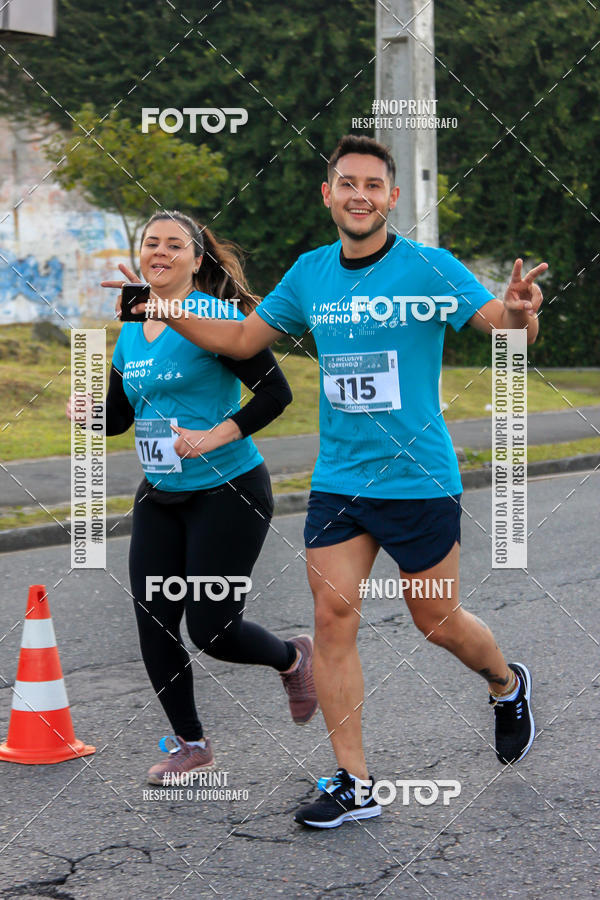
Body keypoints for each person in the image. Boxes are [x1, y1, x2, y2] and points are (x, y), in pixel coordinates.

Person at [118, 136, 547, 826]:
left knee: (435, 620)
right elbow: (238, 343)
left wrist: (522, 310)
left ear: (391, 198)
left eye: (372, 186)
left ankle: (505, 682)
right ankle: (355, 782)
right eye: (346, 183)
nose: (359, 195)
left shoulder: (428, 268)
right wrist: (164, 307)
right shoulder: (310, 275)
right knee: (332, 620)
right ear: (329, 195)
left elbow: (504, 329)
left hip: (418, 478)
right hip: (340, 480)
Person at [70, 211, 318, 785]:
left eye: (173, 245)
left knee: (212, 629)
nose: (159, 252)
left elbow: (274, 393)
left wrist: (213, 435)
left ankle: (292, 657)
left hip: (229, 490)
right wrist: (88, 414)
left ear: (196, 258)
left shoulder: (219, 316)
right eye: (150, 243)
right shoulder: (133, 324)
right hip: (161, 493)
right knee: (154, 624)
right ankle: (192, 745)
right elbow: (121, 415)